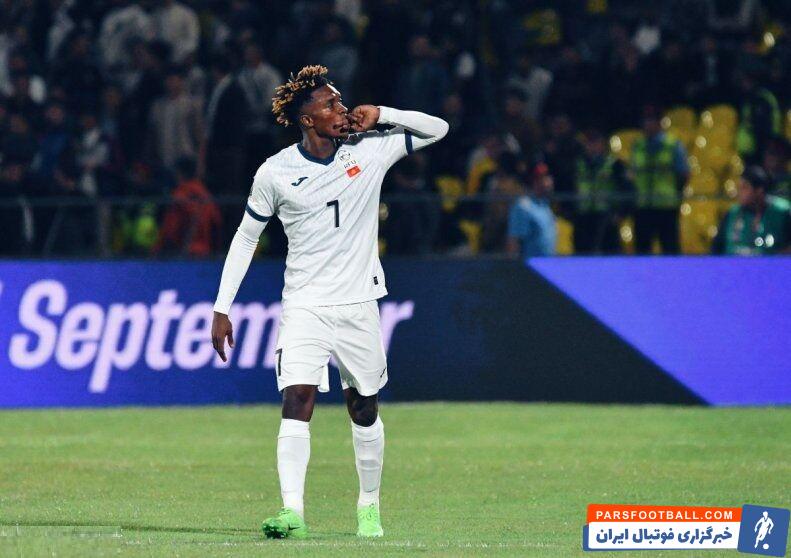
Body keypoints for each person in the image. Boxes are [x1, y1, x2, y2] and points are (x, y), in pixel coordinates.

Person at [210, 65, 448, 539]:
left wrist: (383, 113)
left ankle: (368, 506)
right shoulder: (276, 172)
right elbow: (245, 237)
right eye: (331, 104)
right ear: (307, 119)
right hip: (305, 305)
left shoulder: (371, 148)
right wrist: (221, 307)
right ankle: (292, 512)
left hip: (359, 304)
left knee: (363, 408)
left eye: (342, 101)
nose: (342, 109)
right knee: (297, 398)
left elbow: (438, 129)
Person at [629, 107, 689, 254]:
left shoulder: (673, 145)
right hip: (643, 206)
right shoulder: (638, 145)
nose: (647, 124)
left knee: (670, 249)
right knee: (642, 252)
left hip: (666, 206)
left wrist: (674, 193)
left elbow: (683, 174)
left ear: (659, 123)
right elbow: (633, 173)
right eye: (645, 121)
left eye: (651, 120)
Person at [712, 166, 790, 255]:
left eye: (744, 187)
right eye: (739, 187)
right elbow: (716, 248)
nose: (739, 192)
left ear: (759, 191)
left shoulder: (782, 213)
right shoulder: (732, 214)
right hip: (733, 264)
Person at [153, 156, 221, 257]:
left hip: (184, 254)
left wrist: (156, 251)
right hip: (205, 253)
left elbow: (170, 229)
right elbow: (216, 224)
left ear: (179, 173)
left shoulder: (179, 196)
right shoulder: (206, 196)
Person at [573, 128, 628, 254]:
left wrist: (621, 213)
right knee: (583, 255)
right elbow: (570, 187)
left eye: (595, 142)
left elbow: (626, 189)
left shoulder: (614, 164)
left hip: (607, 216)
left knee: (610, 254)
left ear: (602, 143)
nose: (591, 146)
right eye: (588, 142)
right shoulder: (578, 164)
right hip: (583, 216)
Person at [507, 162, 557, 258]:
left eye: (548, 177)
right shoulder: (523, 207)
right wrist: (515, 265)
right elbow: (514, 243)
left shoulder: (545, 205)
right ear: (534, 182)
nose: (548, 182)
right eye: (542, 178)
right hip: (530, 264)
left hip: (548, 264)